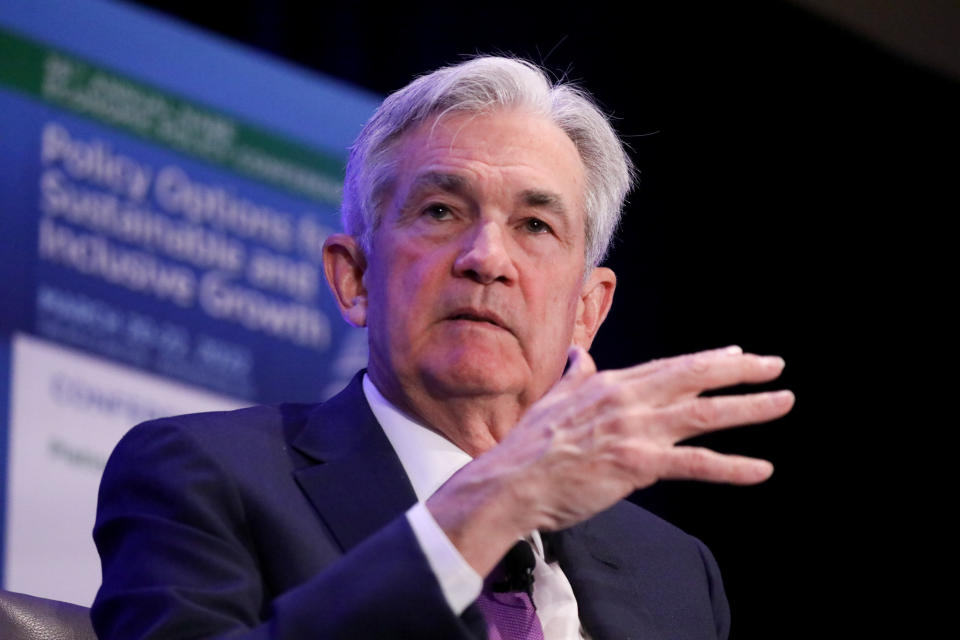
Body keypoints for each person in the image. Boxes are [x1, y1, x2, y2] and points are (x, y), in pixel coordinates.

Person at [92, 56, 793, 640]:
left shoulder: (674, 573)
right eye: (440, 212)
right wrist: (490, 504)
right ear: (355, 276)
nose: (487, 257)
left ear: (587, 310)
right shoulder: (200, 477)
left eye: (536, 225)